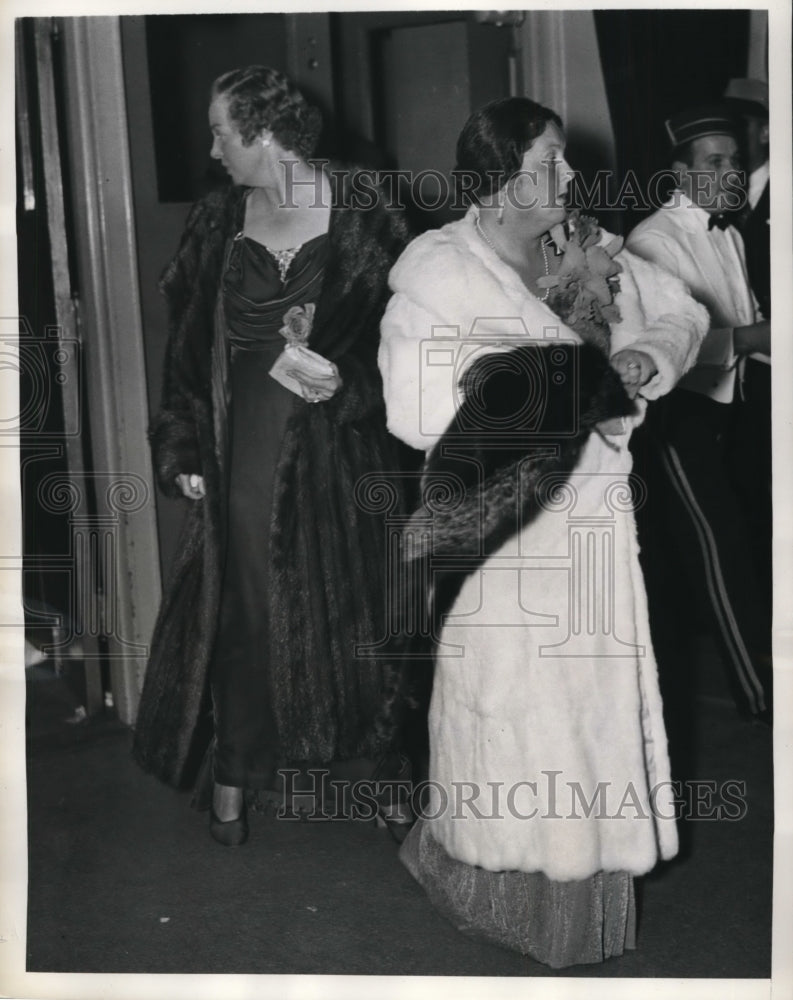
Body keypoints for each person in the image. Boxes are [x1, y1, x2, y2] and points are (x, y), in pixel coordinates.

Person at [377, 97, 707, 967]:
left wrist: (648, 359)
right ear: (495, 178)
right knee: (512, 714)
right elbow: (414, 410)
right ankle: (492, 886)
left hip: (594, 522)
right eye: (547, 162)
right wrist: (565, 386)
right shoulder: (436, 269)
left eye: (563, 159)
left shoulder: (576, 248)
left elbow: (681, 313)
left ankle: (576, 897)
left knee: (588, 715)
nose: (566, 178)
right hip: (503, 528)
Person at [132, 66, 409, 845]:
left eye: (220, 131)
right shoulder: (217, 217)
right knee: (245, 608)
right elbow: (186, 350)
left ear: (260, 133)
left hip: (350, 443)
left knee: (372, 610)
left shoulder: (367, 206)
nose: (212, 148)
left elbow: (417, 340)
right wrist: (182, 441)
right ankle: (237, 766)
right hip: (243, 441)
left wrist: (352, 382)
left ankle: (389, 768)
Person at [626, 106, 772, 721]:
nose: (731, 171)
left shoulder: (730, 234)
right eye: (715, 162)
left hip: (725, 407)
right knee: (722, 548)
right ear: (680, 173)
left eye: (736, 160)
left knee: (747, 538)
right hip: (672, 415)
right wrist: (755, 336)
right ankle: (762, 697)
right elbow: (674, 345)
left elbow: (746, 328)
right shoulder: (652, 240)